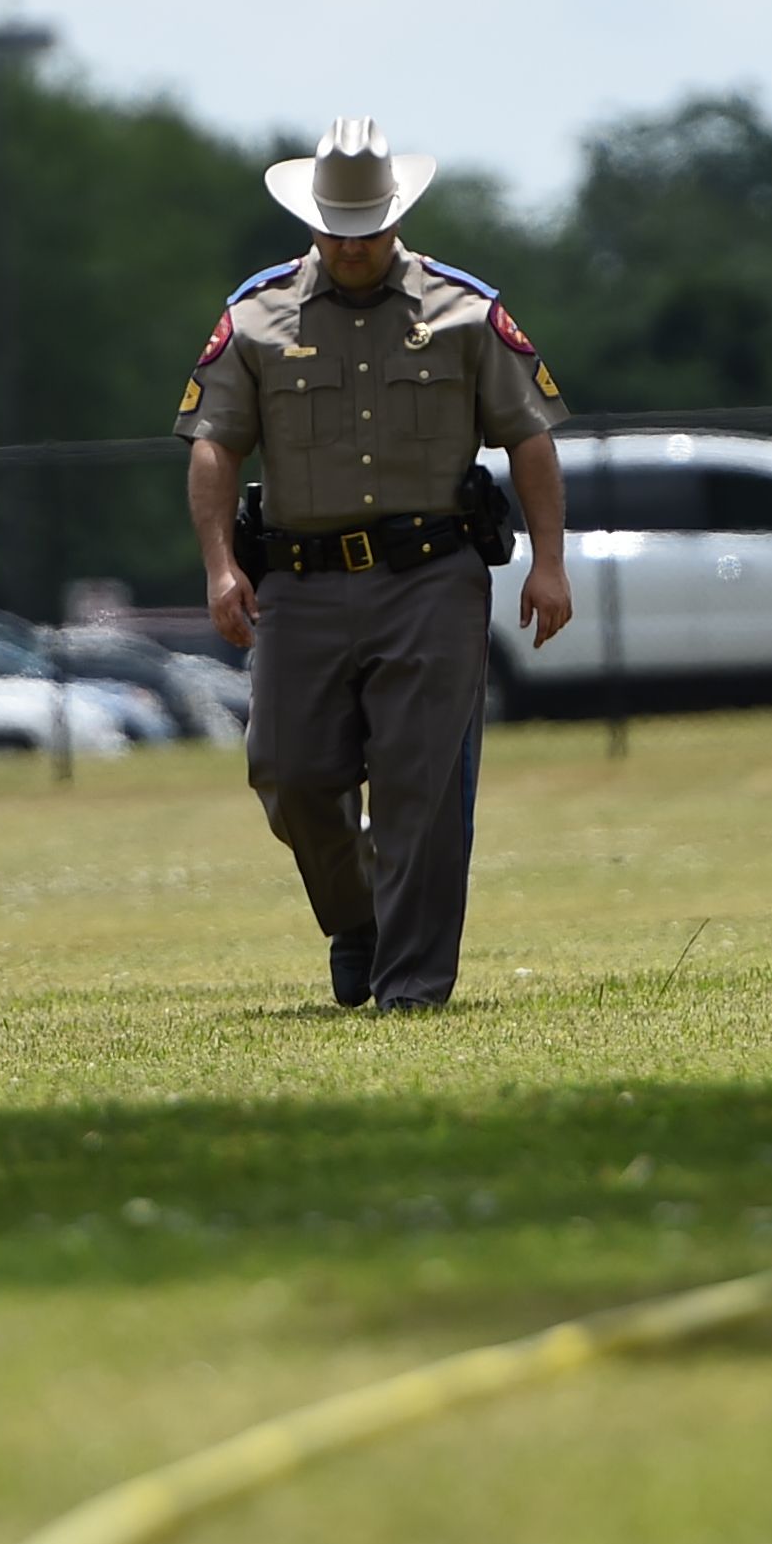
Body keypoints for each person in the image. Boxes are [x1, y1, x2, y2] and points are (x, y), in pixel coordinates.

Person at [180, 116, 572, 1011]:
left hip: (430, 578)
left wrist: (549, 563)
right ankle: (355, 921)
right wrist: (217, 568)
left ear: (395, 218)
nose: (351, 250)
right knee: (287, 770)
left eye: (367, 232)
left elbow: (528, 438)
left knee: (419, 785)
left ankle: (410, 985)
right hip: (300, 583)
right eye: (336, 232)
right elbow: (213, 446)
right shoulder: (255, 316)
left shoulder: (466, 312)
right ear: (311, 222)